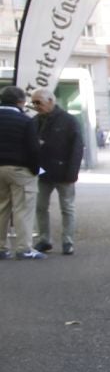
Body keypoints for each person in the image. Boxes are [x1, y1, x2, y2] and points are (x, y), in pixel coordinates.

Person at [30, 92, 82, 255]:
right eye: (33, 103)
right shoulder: (35, 121)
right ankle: (44, 240)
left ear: (51, 101)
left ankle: (67, 241)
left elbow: (77, 148)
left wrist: (72, 172)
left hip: (63, 171)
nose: (36, 106)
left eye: (38, 102)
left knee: (67, 208)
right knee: (40, 207)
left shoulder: (68, 120)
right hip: (42, 172)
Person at [0, 86, 44, 259]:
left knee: (2, 208)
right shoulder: (25, 121)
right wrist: (35, 170)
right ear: (20, 102)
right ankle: (24, 248)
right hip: (20, 170)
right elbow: (34, 149)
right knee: (23, 209)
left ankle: (1, 248)